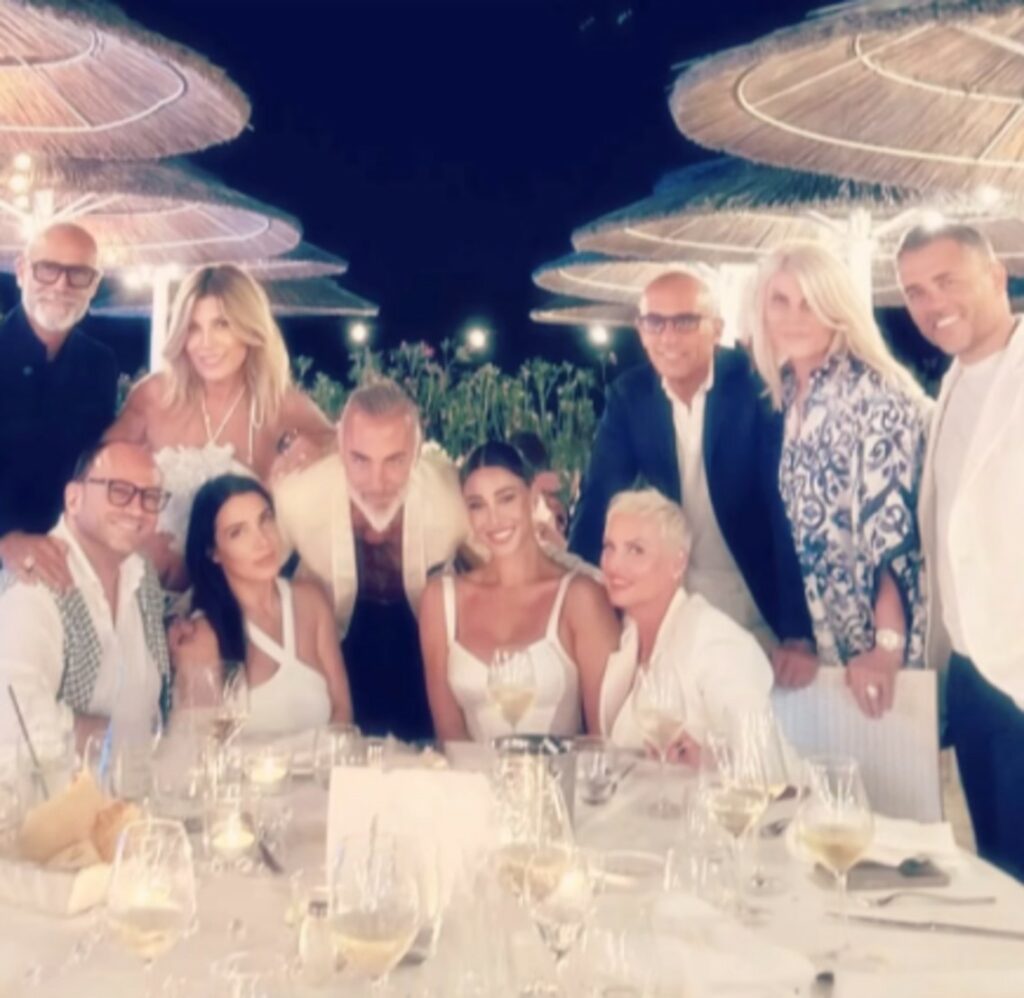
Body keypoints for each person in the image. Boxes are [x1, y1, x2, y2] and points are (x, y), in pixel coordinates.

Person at [568, 270, 812, 654]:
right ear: (640, 330)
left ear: (716, 329)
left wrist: (798, 630)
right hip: (672, 594)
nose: (668, 337)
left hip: (755, 594)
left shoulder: (758, 386)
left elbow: (782, 508)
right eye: (655, 322)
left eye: (684, 322)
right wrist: (572, 595)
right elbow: (599, 496)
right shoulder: (630, 396)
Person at [748, 241, 929, 718]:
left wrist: (887, 647)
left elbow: (891, 530)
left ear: (838, 308)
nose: (795, 317)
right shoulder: (785, 395)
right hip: (829, 642)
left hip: (883, 647)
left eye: (811, 302)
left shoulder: (875, 393)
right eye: (781, 300)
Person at [897, 222, 1024, 881]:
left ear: (997, 276)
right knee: (1000, 871)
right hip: (973, 679)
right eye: (915, 291)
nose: (932, 303)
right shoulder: (951, 382)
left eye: (947, 280)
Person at [106, 263, 334, 588]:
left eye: (222, 325)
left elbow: (347, 449)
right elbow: (95, 477)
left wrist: (310, 451)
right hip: (141, 589)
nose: (206, 344)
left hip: (235, 598)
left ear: (250, 328)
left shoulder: (281, 405)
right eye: (193, 328)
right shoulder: (154, 396)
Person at [273, 378, 468, 742]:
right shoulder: (296, 496)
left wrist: (576, 573)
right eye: (360, 459)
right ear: (339, 444)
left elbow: (510, 564)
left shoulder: (451, 497)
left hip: (424, 657)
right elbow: (251, 574)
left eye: (395, 460)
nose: (377, 482)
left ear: (418, 450)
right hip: (332, 653)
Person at [419, 441, 619, 741]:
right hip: (468, 772)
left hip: (562, 771)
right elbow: (450, 739)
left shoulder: (581, 598)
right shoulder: (440, 602)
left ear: (533, 496)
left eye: (506, 499)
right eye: (477, 505)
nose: (494, 519)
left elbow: (605, 739)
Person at [0, 441, 169, 751]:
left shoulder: (141, 573)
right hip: (50, 783)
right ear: (74, 499)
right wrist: (123, 741)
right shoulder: (32, 584)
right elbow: (13, 724)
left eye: (151, 497)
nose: (137, 509)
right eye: (119, 490)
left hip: (142, 777)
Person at [168, 475, 352, 737]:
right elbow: (201, 746)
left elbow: (342, 712)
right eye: (238, 532)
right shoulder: (202, 636)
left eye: (265, 520)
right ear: (213, 552)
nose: (263, 541)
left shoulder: (311, 602)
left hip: (328, 762)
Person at [599, 489, 773, 761]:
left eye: (636, 550)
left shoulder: (714, 639)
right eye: (609, 547)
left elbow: (763, 756)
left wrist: (707, 760)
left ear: (678, 562)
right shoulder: (627, 637)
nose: (614, 565)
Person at [0, 222, 115, 591]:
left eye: (78, 274)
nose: (62, 285)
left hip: (68, 562)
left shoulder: (99, 365)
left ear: (94, 285)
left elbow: (94, 460)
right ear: (22, 271)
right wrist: (5, 539)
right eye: (48, 268)